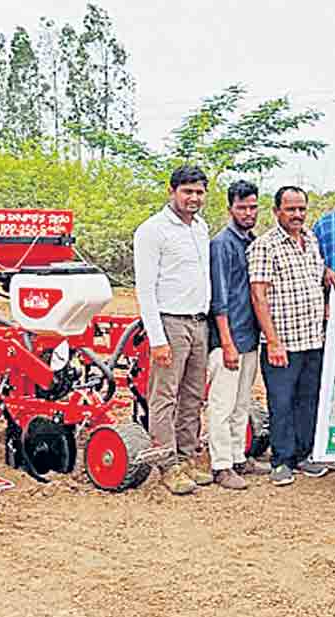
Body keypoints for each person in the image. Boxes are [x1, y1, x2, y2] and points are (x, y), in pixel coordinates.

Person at [133, 165, 213, 496]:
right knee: (164, 396)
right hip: (170, 322)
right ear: (172, 191)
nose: (193, 198)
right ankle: (167, 464)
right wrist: (157, 338)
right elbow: (145, 288)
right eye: (187, 191)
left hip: (199, 322)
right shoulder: (153, 230)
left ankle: (188, 454)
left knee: (194, 396)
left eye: (199, 192)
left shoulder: (201, 228)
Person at [249, 186, 335, 486]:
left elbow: (312, 275)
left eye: (301, 209)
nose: (297, 215)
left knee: (307, 399)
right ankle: (281, 460)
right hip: (283, 342)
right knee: (282, 402)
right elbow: (258, 295)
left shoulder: (310, 238)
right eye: (290, 209)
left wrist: (327, 272)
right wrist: (272, 341)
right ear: (277, 212)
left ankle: (303, 455)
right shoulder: (265, 245)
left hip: (313, 338)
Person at [206, 180, 262, 491]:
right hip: (228, 339)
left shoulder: (252, 242)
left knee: (243, 404)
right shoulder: (222, 244)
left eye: (253, 207)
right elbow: (220, 298)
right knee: (222, 405)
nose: (248, 212)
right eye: (242, 207)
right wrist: (226, 343)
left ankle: (239, 457)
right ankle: (221, 465)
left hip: (250, 337)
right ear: (230, 209)